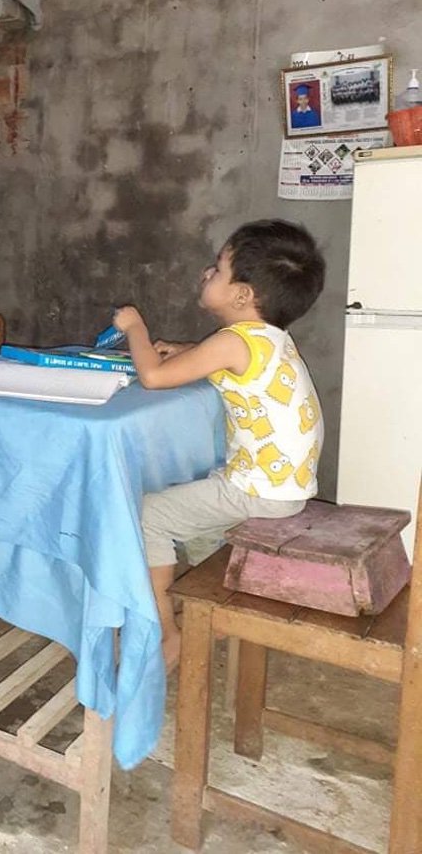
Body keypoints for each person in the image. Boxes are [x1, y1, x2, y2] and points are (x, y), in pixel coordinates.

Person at [113, 219, 326, 668]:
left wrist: (135, 327)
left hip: (259, 492)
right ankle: (208, 607)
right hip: (287, 486)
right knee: (197, 508)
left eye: (216, 270)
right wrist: (188, 349)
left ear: (242, 296)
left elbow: (151, 378)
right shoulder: (273, 339)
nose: (204, 274)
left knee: (149, 515)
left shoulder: (232, 340)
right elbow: (232, 361)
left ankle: (166, 634)